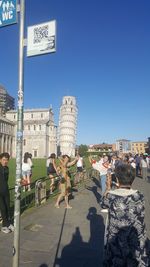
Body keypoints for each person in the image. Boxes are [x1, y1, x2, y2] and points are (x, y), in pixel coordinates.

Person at [101, 164, 149, 266]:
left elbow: (103, 204)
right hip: (137, 239)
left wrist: (108, 187)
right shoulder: (139, 195)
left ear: (117, 180)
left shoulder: (111, 195)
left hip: (117, 241)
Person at [0, 152, 14, 234]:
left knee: (8, 207)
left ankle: (8, 223)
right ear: (0, 160)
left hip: (5, 190)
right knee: (3, 208)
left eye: (7, 160)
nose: (5, 161)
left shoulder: (7, 168)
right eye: (3, 160)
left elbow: (6, 180)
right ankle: (4, 226)